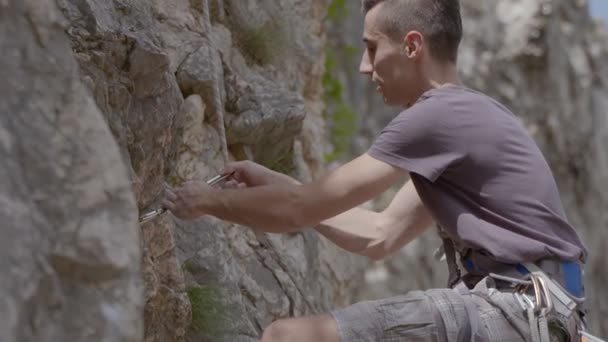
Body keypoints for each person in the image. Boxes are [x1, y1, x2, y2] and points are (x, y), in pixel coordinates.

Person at [163, 0, 592, 341]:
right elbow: (380, 233)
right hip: (540, 314)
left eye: (371, 48)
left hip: (513, 310)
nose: (364, 67)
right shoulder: (467, 119)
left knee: (288, 337)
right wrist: (288, 186)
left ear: (411, 46)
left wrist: (209, 201)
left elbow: (297, 211)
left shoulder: (437, 116)